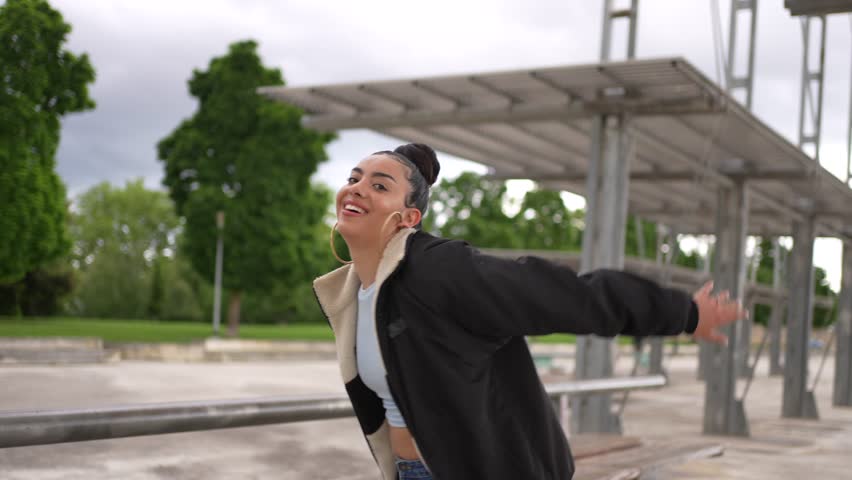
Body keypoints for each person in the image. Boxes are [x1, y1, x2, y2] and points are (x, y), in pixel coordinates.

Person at [313, 143, 745, 480]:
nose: (357, 188)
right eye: (354, 177)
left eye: (379, 184)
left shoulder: (441, 270)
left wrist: (683, 314)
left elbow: (560, 295)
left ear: (409, 217)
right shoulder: (355, 292)